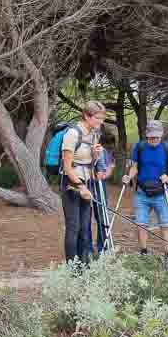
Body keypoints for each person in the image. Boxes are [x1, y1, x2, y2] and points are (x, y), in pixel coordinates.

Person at [122, 120, 168, 257]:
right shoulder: (139, 147)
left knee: (165, 225)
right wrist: (129, 177)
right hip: (142, 193)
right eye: (151, 137)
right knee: (141, 224)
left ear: (161, 135)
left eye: (156, 137)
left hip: (161, 193)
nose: (153, 139)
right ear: (146, 135)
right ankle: (144, 253)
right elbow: (135, 167)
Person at [61, 101, 106, 264]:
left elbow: (91, 163)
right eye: (98, 118)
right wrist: (80, 187)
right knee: (73, 227)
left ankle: (84, 265)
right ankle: (72, 268)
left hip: (87, 183)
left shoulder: (93, 134)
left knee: (86, 227)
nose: (100, 121)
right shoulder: (72, 134)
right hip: (71, 186)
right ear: (87, 116)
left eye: (102, 118)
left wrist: (95, 154)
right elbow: (67, 167)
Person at [91, 130, 115, 255]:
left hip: (100, 186)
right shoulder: (84, 148)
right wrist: (94, 175)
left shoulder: (104, 151)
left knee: (102, 216)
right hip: (87, 185)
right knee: (86, 218)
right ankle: (88, 247)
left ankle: (103, 246)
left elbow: (110, 166)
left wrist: (104, 175)